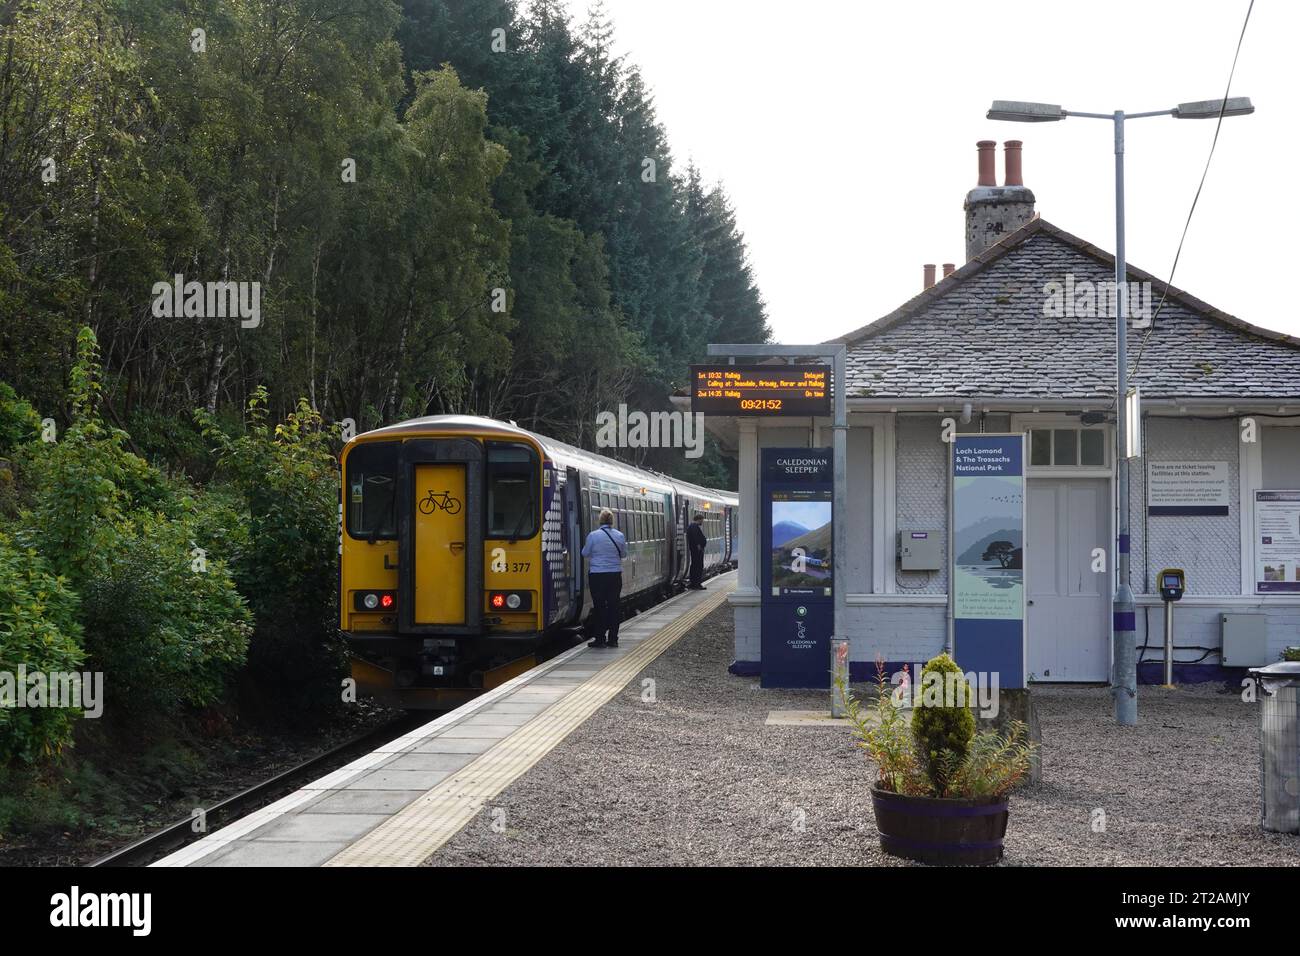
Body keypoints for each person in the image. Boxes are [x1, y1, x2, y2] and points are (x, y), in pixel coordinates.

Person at [581, 508, 627, 648]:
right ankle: (613, 639)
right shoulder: (619, 535)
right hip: (614, 575)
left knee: (599, 607)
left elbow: (585, 553)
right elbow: (624, 554)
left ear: (600, 520)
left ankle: (600, 639)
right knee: (614, 606)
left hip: (597, 575)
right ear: (612, 521)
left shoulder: (593, 536)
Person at [686, 512, 707, 589]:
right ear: (699, 519)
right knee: (698, 566)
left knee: (695, 566)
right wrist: (699, 546)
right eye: (702, 520)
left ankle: (695, 583)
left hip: (696, 550)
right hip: (697, 551)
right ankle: (696, 584)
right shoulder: (694, 527)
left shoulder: (692, 526)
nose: (702, 522)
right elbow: (696, 538)